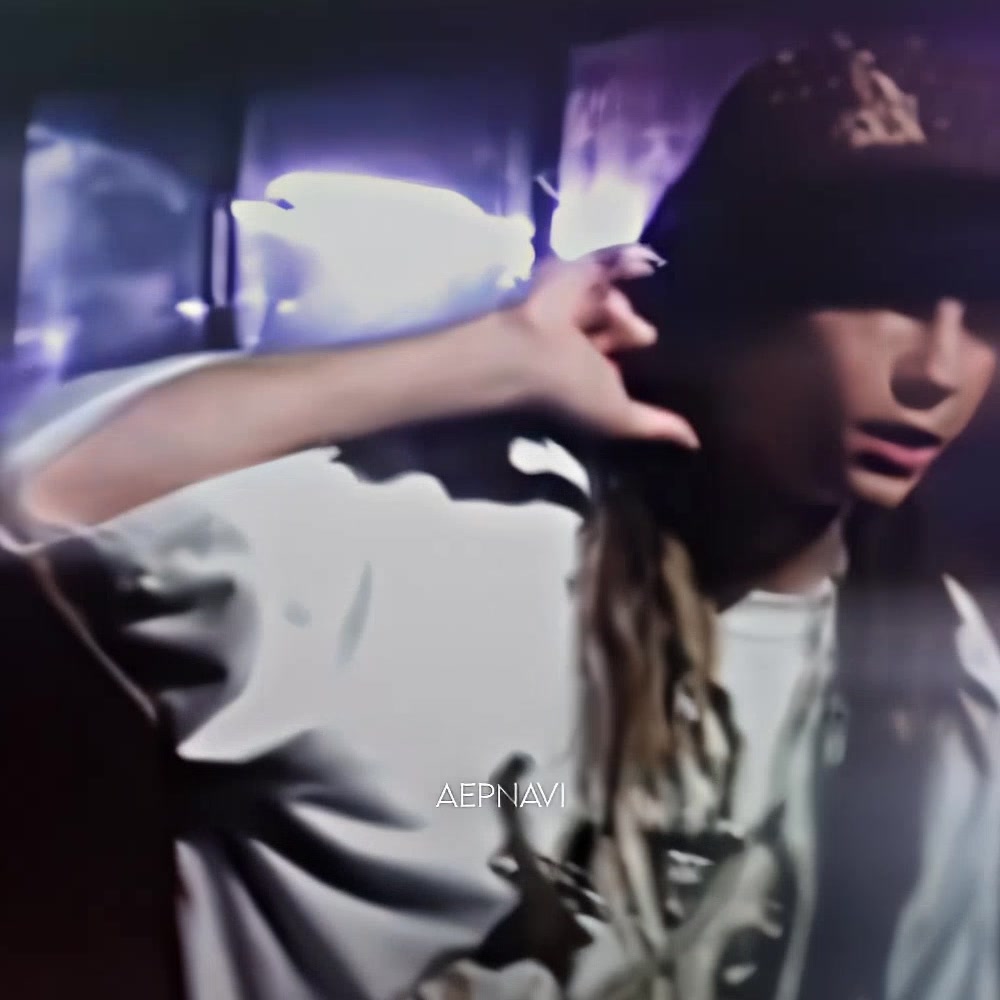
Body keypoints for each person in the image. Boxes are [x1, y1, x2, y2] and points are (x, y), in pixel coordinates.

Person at [3, 32, 1000, 1000]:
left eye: (989, 311)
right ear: (722, 291)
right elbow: (39, 500)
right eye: (881, 293)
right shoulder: (423, 546)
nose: (940, 371)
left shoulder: (942, 667)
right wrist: (491, 355)